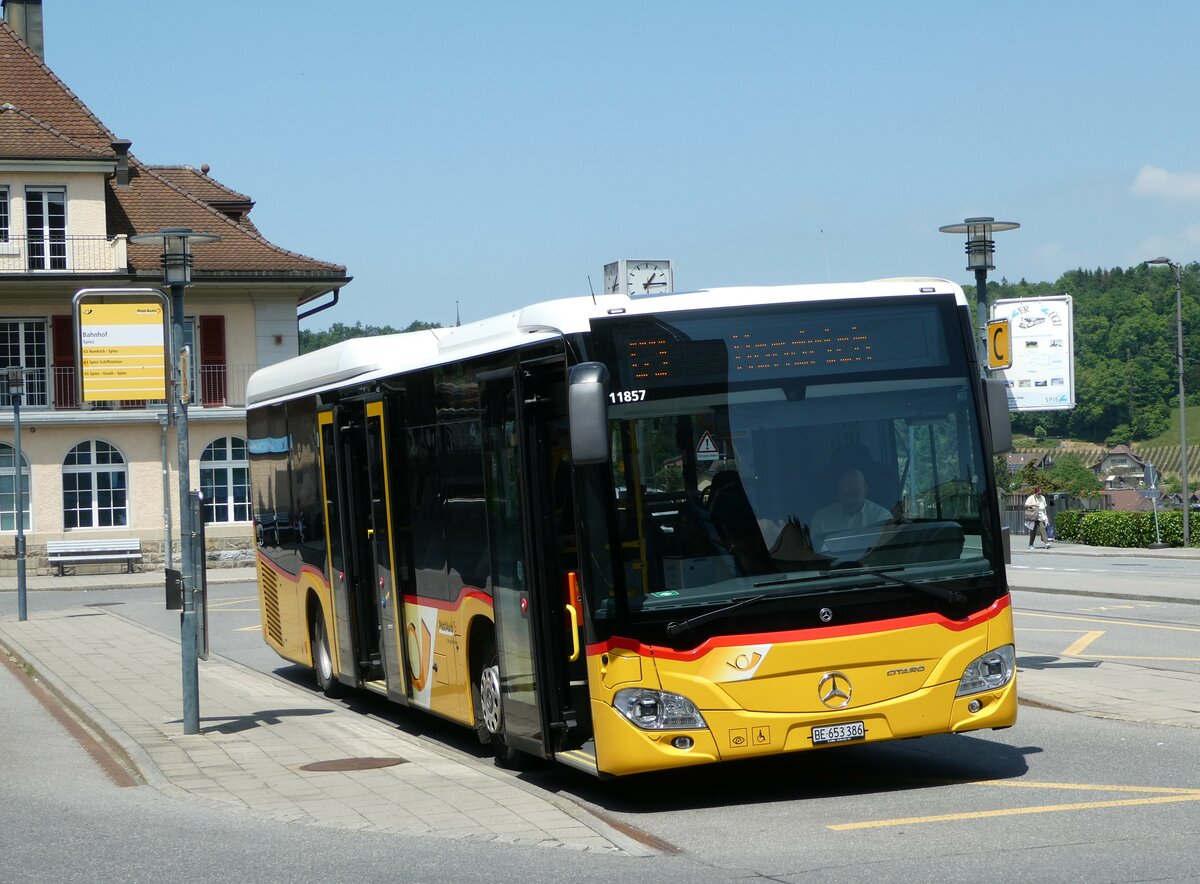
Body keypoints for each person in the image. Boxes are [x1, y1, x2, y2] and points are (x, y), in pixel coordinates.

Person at [810, 467, 892, 554]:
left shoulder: (882, 518)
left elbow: (887, 553)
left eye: (855, 494)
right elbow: (812, 554)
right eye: (844, 494)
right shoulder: (821, 519)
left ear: (866, 490)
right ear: (837, 492)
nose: (849, 499)